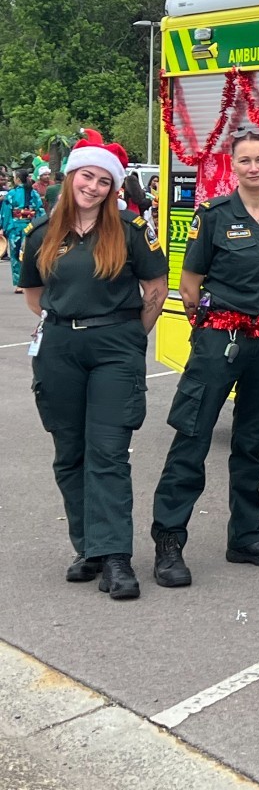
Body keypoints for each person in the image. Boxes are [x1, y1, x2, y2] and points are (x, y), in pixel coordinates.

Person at [19, 132, 168, 599]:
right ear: (70, 177)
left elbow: (156, 289)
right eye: (88, 176)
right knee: (70, 452)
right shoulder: (41, 233)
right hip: (60, 348)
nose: (95, 187)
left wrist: (125, 338)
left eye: (105, 181)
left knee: (107, 452)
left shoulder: (130, 229)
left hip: (115, 348)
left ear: (114, 188)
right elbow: (35, 297)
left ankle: (117, 559)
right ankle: (89, 548)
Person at [150, 128, 259, 586]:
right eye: (245, 160)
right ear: (232, 166)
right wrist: (210, 330)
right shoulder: (213, 215)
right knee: (193, 437)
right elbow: (190, 283)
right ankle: (170, 540)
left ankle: (246, 536)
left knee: (252, 443)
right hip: (221, 338)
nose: (253, 167)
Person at [1, 168, 45, 290]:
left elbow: (6, 212)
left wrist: (4, 227)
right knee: (29, 254)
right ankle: (32, 281)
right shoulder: (33, 193)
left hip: (15, 226)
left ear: (18, 179)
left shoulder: (12, 194)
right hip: (31, 226)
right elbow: (40, 210)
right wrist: (39, 225)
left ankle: (20, 283)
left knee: (15, 255)